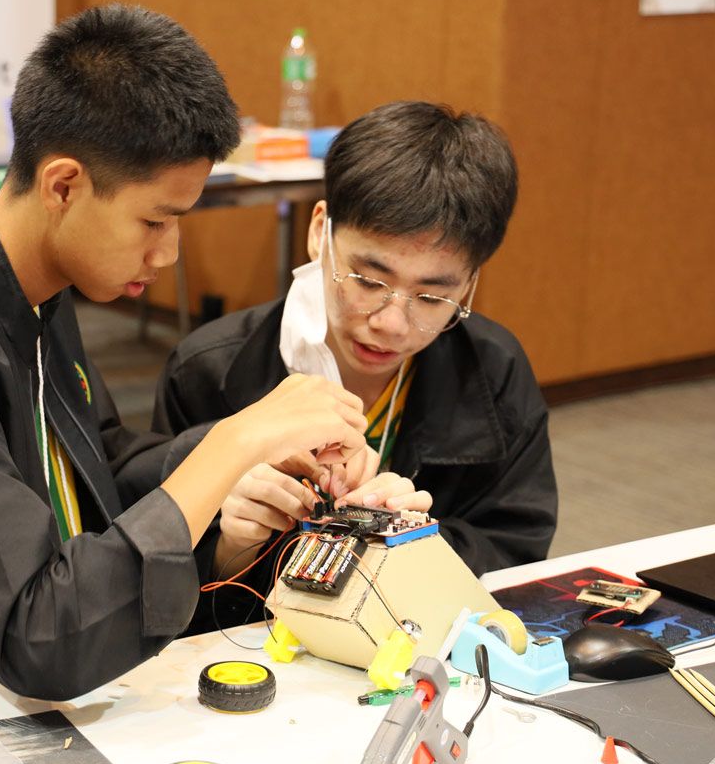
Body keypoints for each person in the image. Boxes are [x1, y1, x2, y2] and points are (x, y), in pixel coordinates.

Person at [0, 4, 371, 710]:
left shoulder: (30, 283)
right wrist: (234, 443)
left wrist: (248, 458)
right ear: (63, 185)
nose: (169, 253)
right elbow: (37, 639)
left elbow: (98, 465)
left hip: (3, 680)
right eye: (155, 220)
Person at [154, 101, 558, 630]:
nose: (391, 324)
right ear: (319, 231)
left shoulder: (494, 373)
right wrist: (231, 548)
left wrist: (419, 543)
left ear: (470, 283)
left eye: (432, 298)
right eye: (368, 281)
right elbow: (155, 597)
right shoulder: (208, 370)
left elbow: (516, 559)